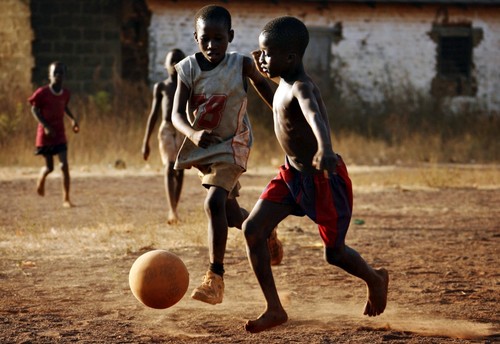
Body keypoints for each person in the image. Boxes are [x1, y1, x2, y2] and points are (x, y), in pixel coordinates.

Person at [243, 16, 389, 333]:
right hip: (291, 176)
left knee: (334, 254)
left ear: (291, 58)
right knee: (253, 228)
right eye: (260, 52)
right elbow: (279, 109)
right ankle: (274, 308)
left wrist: (325, 148)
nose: (262, 58)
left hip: (324, 179)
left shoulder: (303, 87)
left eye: (267, 53)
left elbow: (313, 115)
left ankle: (375, 278)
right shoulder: (284, 84)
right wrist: (257, 78)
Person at [171, 4, 282, 306]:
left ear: (230, 36)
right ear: (196, 37)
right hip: (205, 148)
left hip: (234, 144)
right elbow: (176, 114)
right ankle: (265, 229)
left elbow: (268, 91)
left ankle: (215, 277)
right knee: (231, 214)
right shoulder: (187, 70)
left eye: (218, 38)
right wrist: (192, 133)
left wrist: (284, 115)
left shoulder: (241, 65)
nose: (212, 45)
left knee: (213, 202)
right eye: (205, 38)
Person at [142, 48, 186, 224]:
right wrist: (146, 141)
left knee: (180, 169)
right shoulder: (161, 87)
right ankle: (172, 210)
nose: (175, 65)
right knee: (169, 167)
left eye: (178, 61)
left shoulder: (188, 85)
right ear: (166, 65)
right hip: (167, 128)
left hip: (183, 128)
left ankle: (175, 206)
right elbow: (153, 115)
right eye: (172, 61)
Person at [28, 61, 79, 208]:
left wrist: (73, 120)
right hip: (45, 135)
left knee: (64, 165)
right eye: (55, 73)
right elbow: (34, 109)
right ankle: (42, 178)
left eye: (61, 73)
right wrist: (45, 125)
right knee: (50, 167)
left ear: (65, 75)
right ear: (49, 75)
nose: (58, 75)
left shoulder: (65, 93)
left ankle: (66, 199)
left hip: (59, 133)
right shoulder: (42, 93)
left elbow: (64, 107)